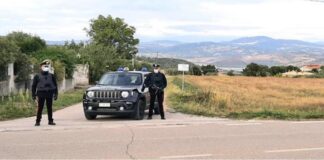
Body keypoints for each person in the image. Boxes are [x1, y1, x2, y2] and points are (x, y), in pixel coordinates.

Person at [32, 60, 58, 126]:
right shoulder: (37, 76)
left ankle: (50, 121)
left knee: (49, 107)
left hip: (49, 93)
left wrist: (56, 94)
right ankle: (37, 121)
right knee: (40, 107)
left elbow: (55, 85)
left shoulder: (51, 75)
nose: (46, 67)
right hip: (41, 93)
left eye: (47, 66)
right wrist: (33, 95)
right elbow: (33, 86)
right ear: (41, 67)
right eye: (44, 66)